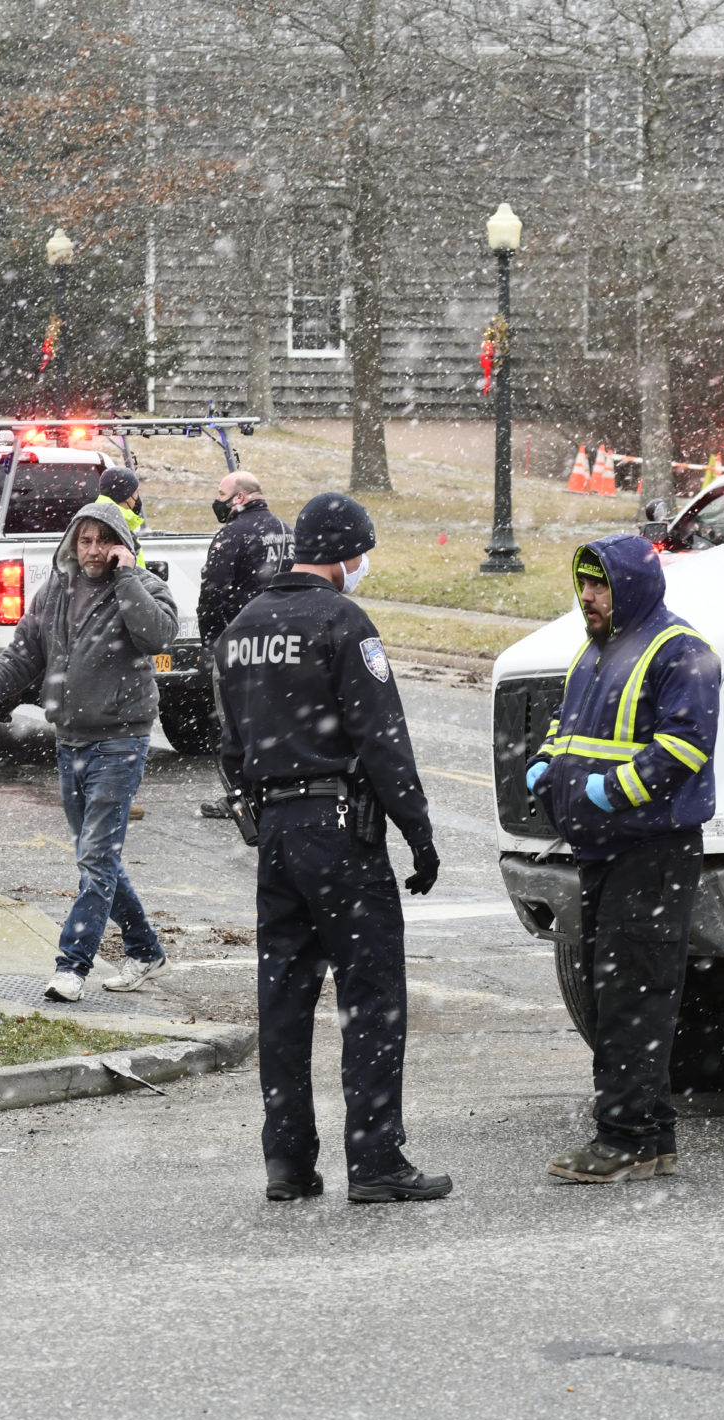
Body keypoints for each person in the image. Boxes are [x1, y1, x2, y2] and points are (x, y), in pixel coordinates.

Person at [216, 493, 449, 1205]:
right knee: (371, 994)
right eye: (363, 552)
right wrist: (418, 831)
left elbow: (228, 744)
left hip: (276, 834)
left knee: (284, 1001)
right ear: (346, 552)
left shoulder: (243, 627)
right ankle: (376, 1158)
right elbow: (382, 738)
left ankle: (288, 1161)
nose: (363, 566)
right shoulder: (344, 622)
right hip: (342, 831)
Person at [524, 535, 721, 1183]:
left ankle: (625, 1140)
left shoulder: (679, 652)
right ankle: (649, 1136)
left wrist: (611, 792)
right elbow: (566, 723)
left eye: (600, 584)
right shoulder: (597, 650)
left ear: (630, 586)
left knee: (632, 994)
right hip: (608, 849)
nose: (588, 595)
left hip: (651, 850)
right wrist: (548, 763)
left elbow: (684, 747)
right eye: (583, 583)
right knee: (619, 991)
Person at [0, 499, 176, 1002]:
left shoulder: (144, 588)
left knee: (97, 855)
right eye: (85, 540)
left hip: (121, 740)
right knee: (94, 854)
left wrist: (126, 577)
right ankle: (145, 951)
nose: (93, 549)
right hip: (69, 740)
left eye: (103, 540)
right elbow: (23, 652)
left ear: (121, 543)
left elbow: (159, 636)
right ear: (72, 543)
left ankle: (72, 966)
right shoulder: (56, 590)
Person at [196, 470, 292, 820]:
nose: (217, 500)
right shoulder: (287, 530)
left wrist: (211, 642)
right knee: (275, 720)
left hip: (238, 644)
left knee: (232, 724)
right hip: (284, 643)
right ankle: (277, 788)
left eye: (221, 493)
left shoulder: (231, 534)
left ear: (239, 498)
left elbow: (213, 593)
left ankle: (240, 796)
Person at [97, 465, 147, 536]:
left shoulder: (97, 517)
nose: (137, 497)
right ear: (126, 494)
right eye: (136, 492)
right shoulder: (118, 526)